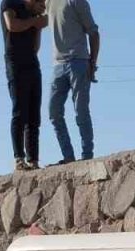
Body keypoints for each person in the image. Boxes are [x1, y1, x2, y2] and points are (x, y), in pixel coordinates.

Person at [47, 0, 101, 164]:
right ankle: (68, 157)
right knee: (54, 112)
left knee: (81, 110)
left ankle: (87, 156)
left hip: (79, 62)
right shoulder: (48, 2)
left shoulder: (77, 1)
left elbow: (94, 33)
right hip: (58, 65)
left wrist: (92, 62)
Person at [1, 0, 47, 172]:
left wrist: (39, 27)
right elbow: (12, 25)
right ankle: (19, 159)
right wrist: (34, 22)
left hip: (32, 64)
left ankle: (33, 160)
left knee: (34, 115)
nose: (43, 5)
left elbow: (35, 47)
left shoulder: (34, 15)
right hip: (15, 63)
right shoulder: (10, 3)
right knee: (20, 111)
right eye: (41, 2)